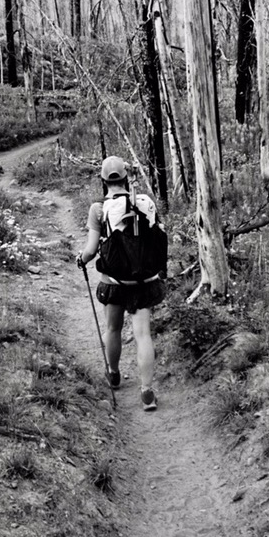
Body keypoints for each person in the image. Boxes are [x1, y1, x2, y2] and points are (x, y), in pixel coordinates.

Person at [75, 156, 167, 411]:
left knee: (113, 329)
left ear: (103, 180)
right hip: (145, 281)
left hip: (114, 281)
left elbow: (91, 250)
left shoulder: (98, 209)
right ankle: (147, 393)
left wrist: (81, 259)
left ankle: (113, 375)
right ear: (126, 179)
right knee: (143, 334)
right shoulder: (146, 202)